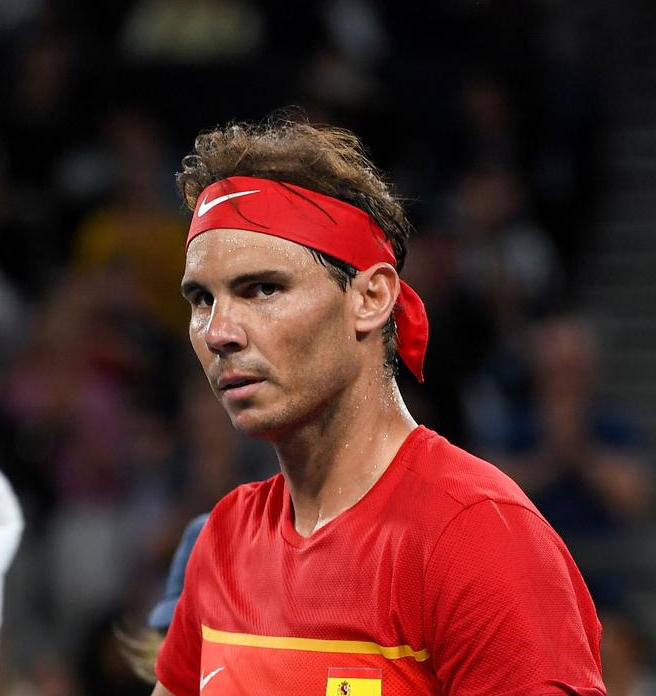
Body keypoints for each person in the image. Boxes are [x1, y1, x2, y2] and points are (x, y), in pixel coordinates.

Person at [151, 119, 604, 695]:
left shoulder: (478, 539)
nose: (219, 332)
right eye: (201, 298)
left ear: (370, 298)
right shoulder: (222, 539)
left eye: (262, 289)